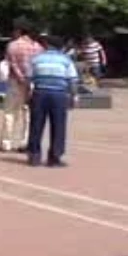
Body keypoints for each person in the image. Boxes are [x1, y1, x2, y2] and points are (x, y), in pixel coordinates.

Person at [25, 33, 79, 167]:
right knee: (59, 126)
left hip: (39, 93)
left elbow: (28, 79)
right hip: (59, 94)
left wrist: (28, 94)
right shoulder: (66, 60)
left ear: (46, 45)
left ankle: (34, 156)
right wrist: (74, 96)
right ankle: (54, 158)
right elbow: (72, 80)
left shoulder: (36, 59)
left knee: (36, 125)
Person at [0, 18, 42, 152]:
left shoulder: (13, 45)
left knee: (10, 112)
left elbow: (12, 64)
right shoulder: (38, 47)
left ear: (19, 30)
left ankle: (6, 142)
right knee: (28, 114)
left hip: (15, 83)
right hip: (32, 83)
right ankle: (25, 142)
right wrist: (29, 81)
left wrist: (21, 78)